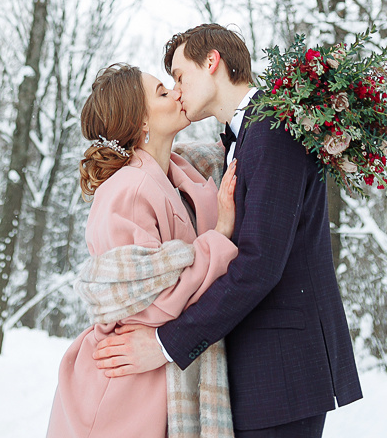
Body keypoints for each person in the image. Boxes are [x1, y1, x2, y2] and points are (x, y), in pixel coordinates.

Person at [93, 23, 363, 438]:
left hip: (282, 368)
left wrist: (166, 344)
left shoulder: (272, 130)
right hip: (260, 371)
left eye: (180, 77)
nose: (178, 90)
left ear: (212, 62)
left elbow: (259, 264)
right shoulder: (240, 141)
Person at [46, 61, 239, 438]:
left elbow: (224, 151)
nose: (177, 92)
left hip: (154, 382)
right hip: (120, 393)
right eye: (163, 93)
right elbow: (152, 298)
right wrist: (222, 233)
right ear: (141, 123)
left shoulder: (180, 172)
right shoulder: (129, 189)